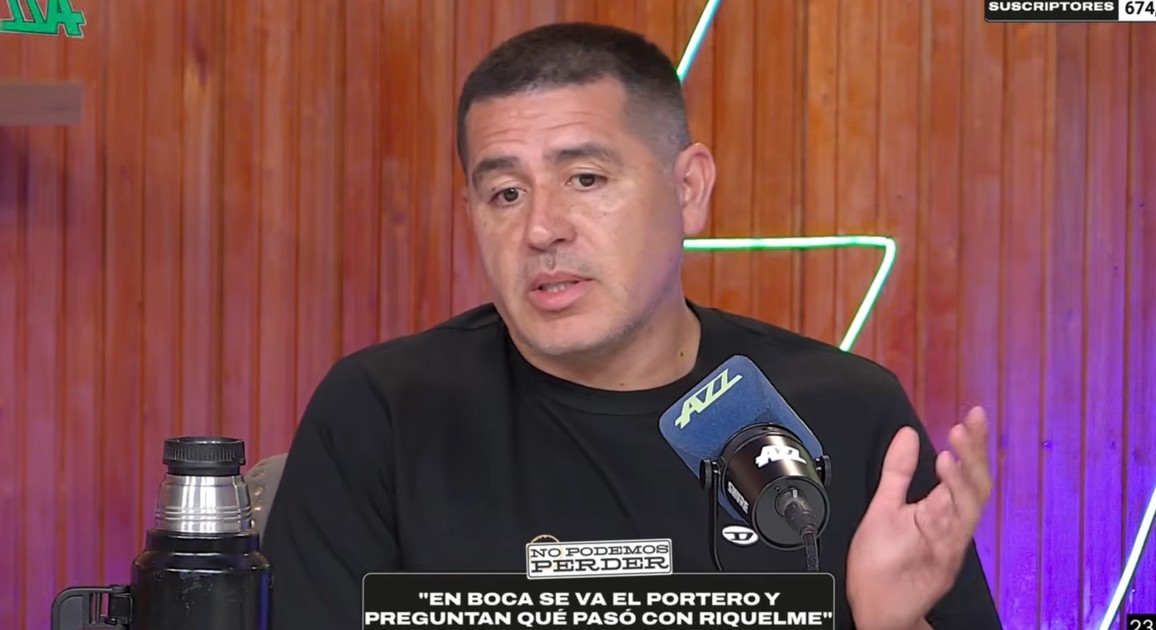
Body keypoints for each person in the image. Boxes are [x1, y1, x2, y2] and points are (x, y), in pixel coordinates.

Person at [262, 21, 1003, 630]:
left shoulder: (850, 415)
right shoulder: (382, 414)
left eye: (585, 179)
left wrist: (892, 626)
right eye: (506, 193)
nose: (542, 229)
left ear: (689, 190)